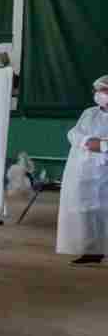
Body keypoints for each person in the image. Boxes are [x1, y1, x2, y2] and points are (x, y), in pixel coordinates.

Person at [57, 75, 108, 266]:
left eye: (103, 90)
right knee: (87, 212)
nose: (98, 95)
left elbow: (102, 145)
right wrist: (87, 142)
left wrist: (101, 145)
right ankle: (92, 252)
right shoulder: (90, 112)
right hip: (84, 171)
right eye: (97, 91)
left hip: (105, 171)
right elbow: (73, 133)